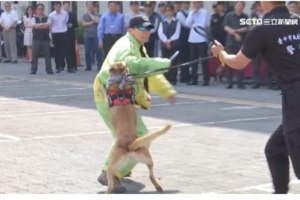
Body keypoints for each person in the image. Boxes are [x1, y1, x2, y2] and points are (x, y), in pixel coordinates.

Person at [211, 1, 300, 194]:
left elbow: (239, 62)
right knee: (275, 149)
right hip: (292, 98)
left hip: (295, 97)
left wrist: (221, 54)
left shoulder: (263, 29)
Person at [94, 15, 176, 193]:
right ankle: (111, 173)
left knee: (129, 138)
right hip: (111, 99)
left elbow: (148, 73)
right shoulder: (125, 45)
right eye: (143, 28)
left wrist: (167, 91)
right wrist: (161, 62)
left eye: (149, 29)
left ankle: (118, 168)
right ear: (131, 30)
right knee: (136, 138)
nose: (147, 32)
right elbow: (129, 65)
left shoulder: (138, 47)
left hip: (119, 100)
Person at [223, 1, 248, 89]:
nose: (240, 7)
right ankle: (230, 82)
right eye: (239, 5)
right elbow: (225, 26)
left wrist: (236, 31)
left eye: (242, 5)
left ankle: (240, 82)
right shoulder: (229, 15)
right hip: (230, 43)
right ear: (235, 5)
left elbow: (246, 28)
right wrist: (233, 33)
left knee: (240, 62)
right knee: (230, 62)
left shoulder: (245, 16)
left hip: (241, 43)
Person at [186, 1, 210, 86]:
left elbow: (202, 25)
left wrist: (194, 24)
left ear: (201, 3)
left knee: (203, 60)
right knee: (193, 60)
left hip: (201, 38)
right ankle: (194, 79)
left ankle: (206, 79)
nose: (196, 4)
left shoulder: (204, 12)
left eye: (197, 2)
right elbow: (188, 24)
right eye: (194, 3)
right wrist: (193, 15)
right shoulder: (191, 12)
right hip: (192, 39)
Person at [49, 1, 75, 73]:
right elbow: (50, 26)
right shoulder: (51, 15)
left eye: (59, 5)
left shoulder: (65, 14)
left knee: (67, 50)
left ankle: (70, 67)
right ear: (54, 6)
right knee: (57, 51)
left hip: (64, 32)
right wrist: (50, 37)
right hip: (55, 33)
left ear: (60, 6)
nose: (57, 7)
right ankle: (58, 66)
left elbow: (66, 22)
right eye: (56, 5)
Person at [158, 5, 181, 85]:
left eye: (170, 10)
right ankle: (166, 78)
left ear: (173, 11)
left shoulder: (177, 21)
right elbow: (160, 33)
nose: (169, 12)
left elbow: (177, 33)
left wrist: (169, 41)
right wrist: (166, 41)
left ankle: (174, 78)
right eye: (167, 10)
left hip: (174, 44)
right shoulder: (162, 21)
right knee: (165, 62)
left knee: (174, 62)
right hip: (164, 45)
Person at [30, 3, 53, 75]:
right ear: (36, 10)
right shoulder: (33, 18)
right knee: (34, 55)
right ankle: (33, 69)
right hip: (36, 39)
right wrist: (42, 25)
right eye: (39, 9)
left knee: (47, 55)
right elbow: (34, 26)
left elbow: (48, 25)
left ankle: (49, 69)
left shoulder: (47, 18)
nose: (40, 11)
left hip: (45, 39)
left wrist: (39, 25)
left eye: (42, 9)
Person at [82, 1, 103, 71]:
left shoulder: (97, 14)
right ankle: (88, 66)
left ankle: (99, 65)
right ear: (86, 6)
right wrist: (93, 21)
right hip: (87, 35)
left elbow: (97, 21)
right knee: (87, 51)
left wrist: (90, 15)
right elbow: (84, 24)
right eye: (88, 5)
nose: (89, 6)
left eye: (91, 5)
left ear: (93, 6)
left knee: (98, 51)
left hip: (96, 35)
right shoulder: (84, 15)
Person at [176, 1, 191, 83]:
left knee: (188, 57)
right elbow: (186, 24)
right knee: (183, 58)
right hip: (183, 39)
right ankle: (183, 76)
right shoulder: (179, 14)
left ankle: (187, 75)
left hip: (189, 38)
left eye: (188, 3)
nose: (186, 4)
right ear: (181, 4)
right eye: (185, 3)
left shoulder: (190, 12)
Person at [62, 1, 78, 72]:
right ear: (63, 6)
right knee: (63, 51)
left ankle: (74, 65)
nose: (66, 7)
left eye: (68, 5)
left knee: (72, 50)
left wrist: (72, 25)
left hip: (71, 34)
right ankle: (62, 65)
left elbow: (76, 24)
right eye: (65, 5)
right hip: (63, 34)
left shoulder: (72, 14)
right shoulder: (61, 14)